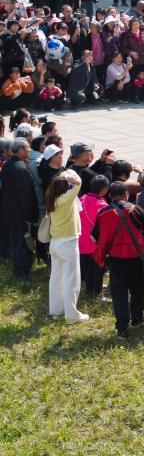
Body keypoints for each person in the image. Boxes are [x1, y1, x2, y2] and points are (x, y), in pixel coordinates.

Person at [92, 181, 144, 339]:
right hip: (136, 258)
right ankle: (137, 319)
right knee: (137, 290)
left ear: (109, 195)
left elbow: (94, 238)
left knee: (119, 294)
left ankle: (122, 329)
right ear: (126, 193)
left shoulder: (103, 213)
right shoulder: (136, 210)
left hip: (115, 260)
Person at [45, 169, 88, 323]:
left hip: (55, 243)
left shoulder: (51, 199)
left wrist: (65, 178)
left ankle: (56, 310)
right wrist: (69, 176)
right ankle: (71, 315)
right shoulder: (65, 200)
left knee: (56, 278)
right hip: (68, 243)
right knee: (71, 280)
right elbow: (79, 182)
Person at [2, 136, 39, 278]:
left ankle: (19, 268)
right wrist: (29, 217)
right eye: (27, 148)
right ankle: (21, 271)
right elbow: (26, 196)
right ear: (21, 149)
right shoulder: (20, 168)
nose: (29, 150)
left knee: (16, 240)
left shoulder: (9, 164)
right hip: (21, 214)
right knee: (22, 242)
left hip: (10, 211)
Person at [78, 174, 108, 297]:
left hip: (81, 241)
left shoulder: (82, 199)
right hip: (95, 243)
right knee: (97, 270)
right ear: (105, 189)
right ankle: (96, 292)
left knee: (86, 268)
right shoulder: (102, 205)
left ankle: (87, 288)